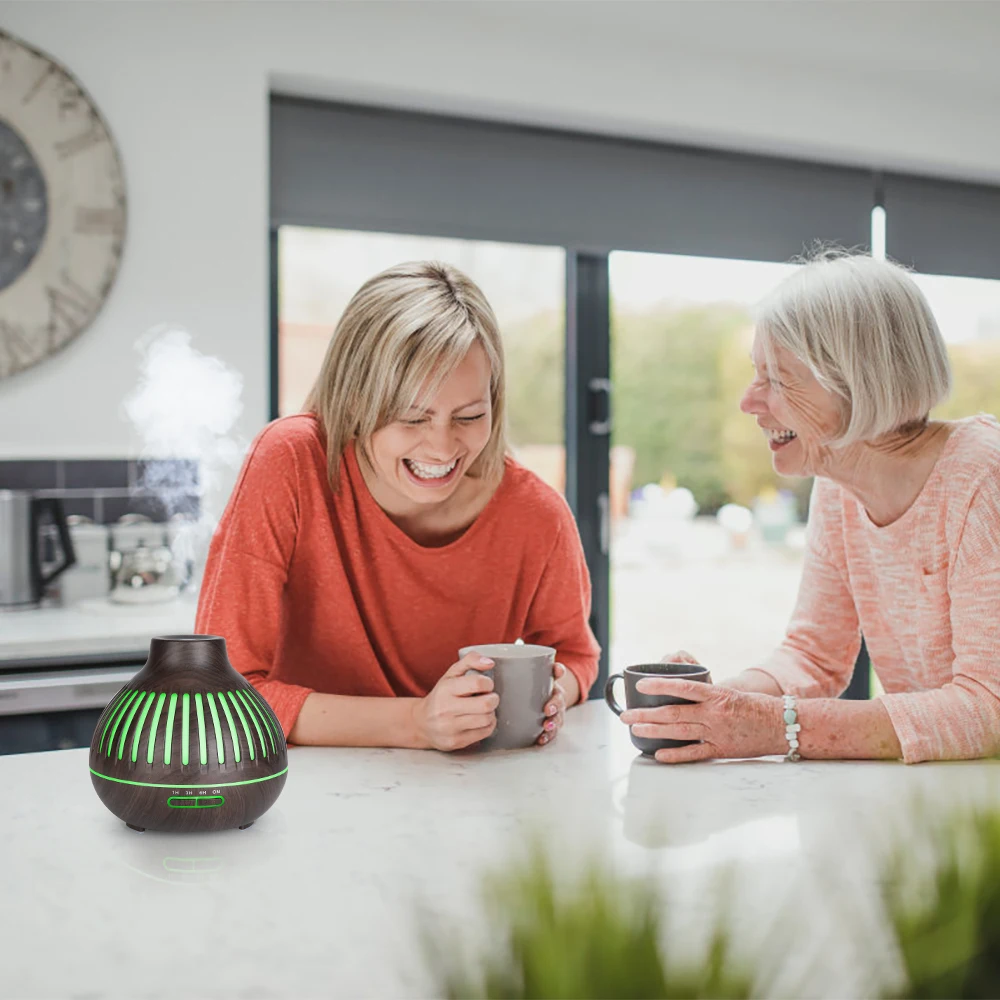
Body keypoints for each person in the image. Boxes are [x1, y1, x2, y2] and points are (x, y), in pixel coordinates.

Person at [196, 261, 599, 750]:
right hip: (300, 782)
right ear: (354, 401)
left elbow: (576, 656)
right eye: (412, 418)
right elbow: (217, 695)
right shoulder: (290, 462)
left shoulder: (537, 516)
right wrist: (416, 723)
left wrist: (554, 694)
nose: (442, 447)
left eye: (469, 416)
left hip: (467, 786)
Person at [620, 250, 1000, 764]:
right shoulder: (839, 485)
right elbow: (813, 656)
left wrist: (775, 727)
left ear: (857, 381)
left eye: (776, 379)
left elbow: (988, 706)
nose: (748, 402)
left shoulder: (983, 478)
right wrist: (714, 704)